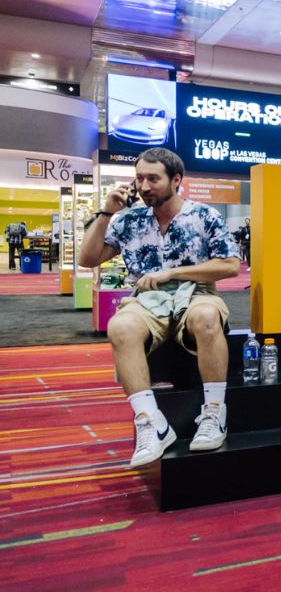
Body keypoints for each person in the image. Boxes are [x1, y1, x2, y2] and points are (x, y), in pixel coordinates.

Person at [78, 148, 241, 467]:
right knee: (120, 326)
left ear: (176, 180)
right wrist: (106, 213)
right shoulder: (127, 220)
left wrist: (174, 272)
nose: (144, 186)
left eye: (153, 178)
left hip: (195, 292)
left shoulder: (203, 215)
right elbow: (88, 259)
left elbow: (231, 265)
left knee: (208, 317)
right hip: (146, 300)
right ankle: (150, 422)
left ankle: (214, 413)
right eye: (139, 178)